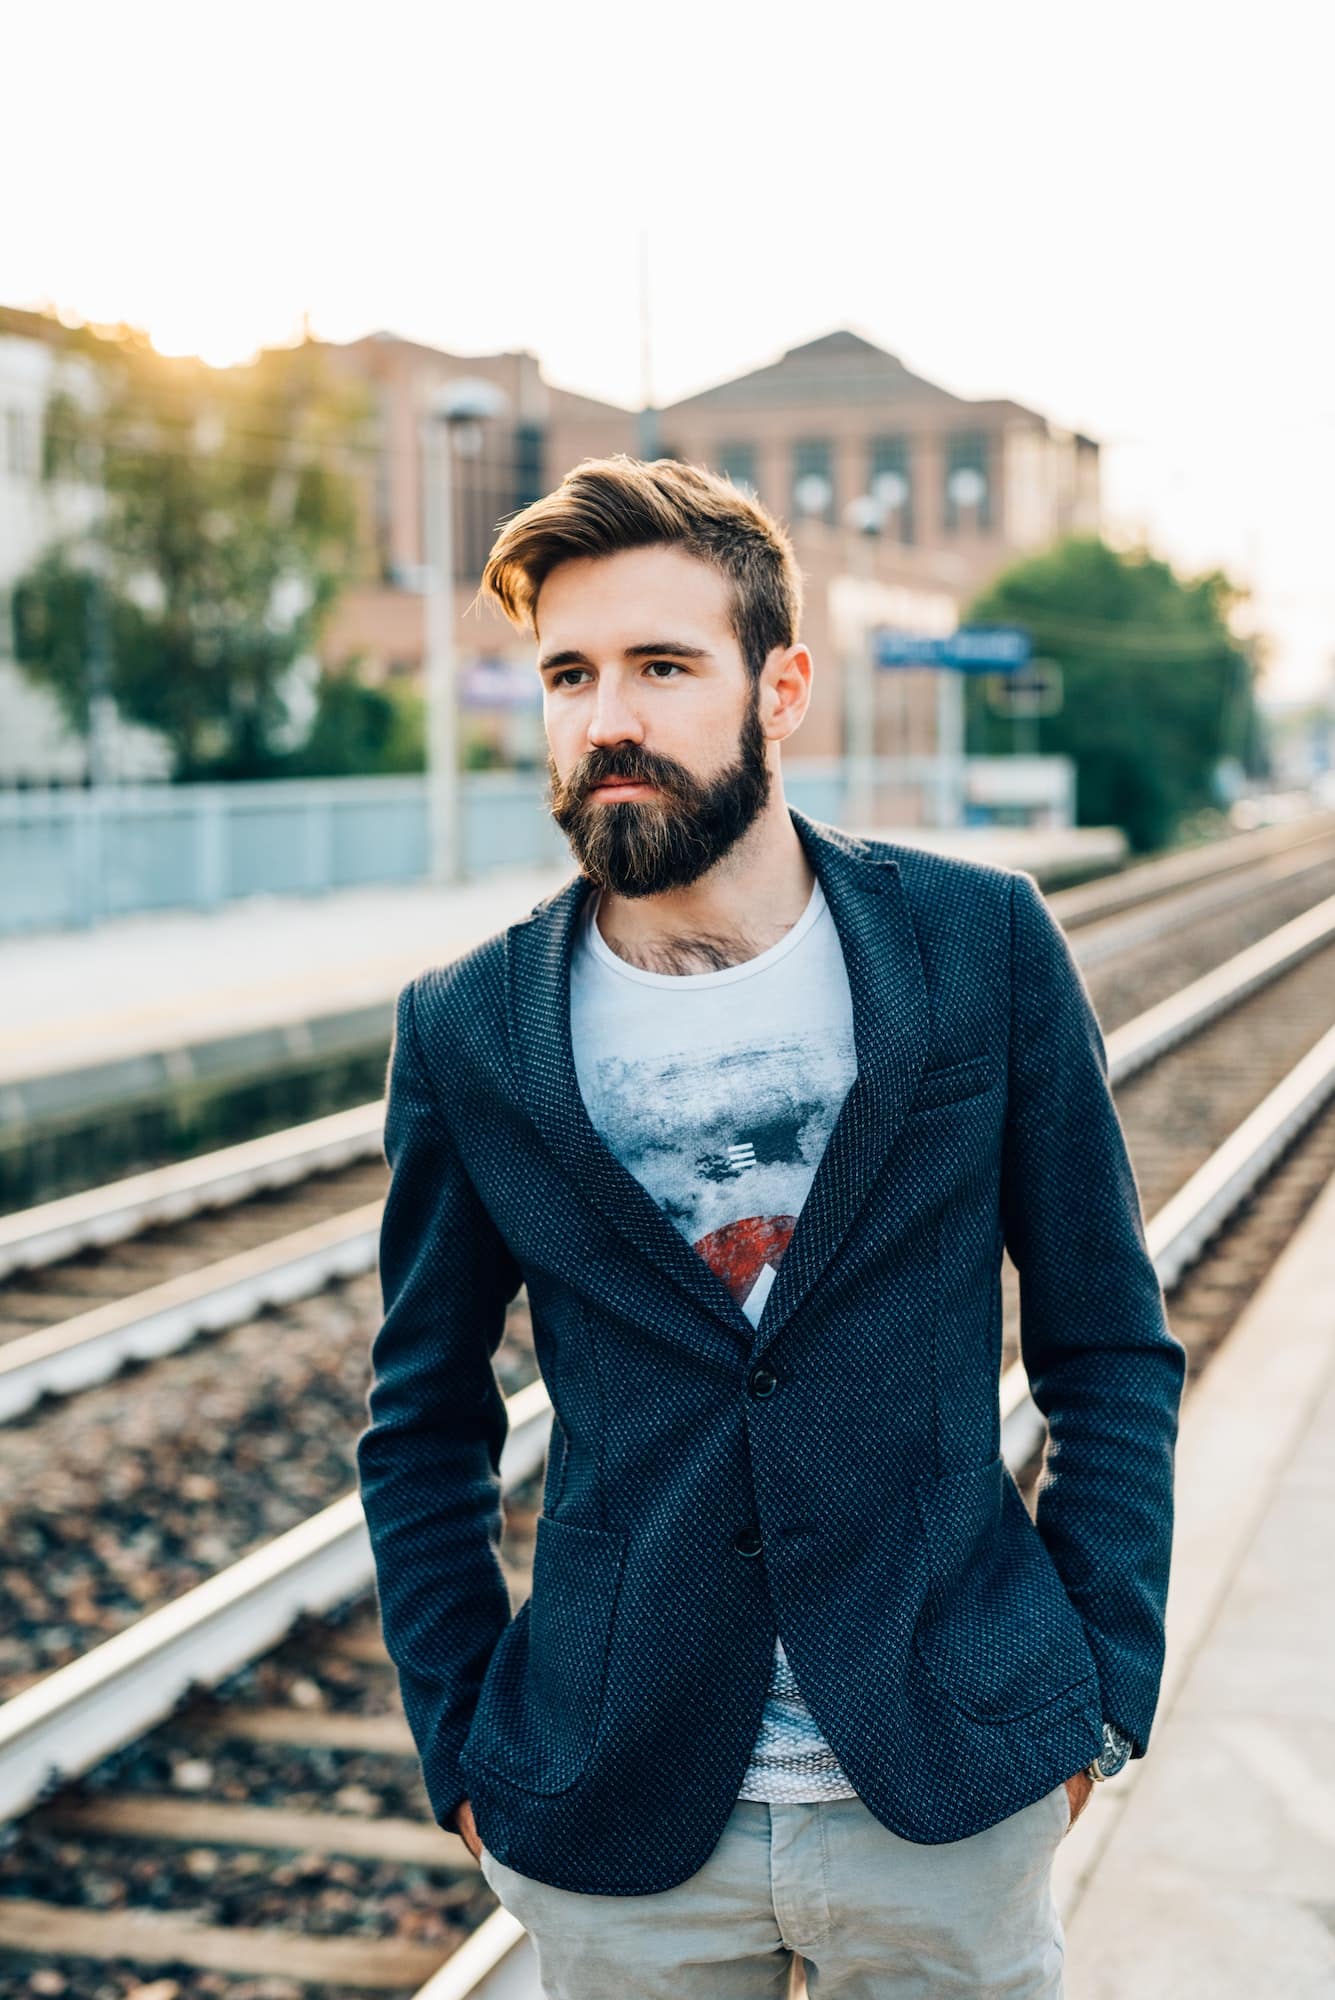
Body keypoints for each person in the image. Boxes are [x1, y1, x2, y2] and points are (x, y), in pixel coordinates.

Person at [355, 456, 1186, 1998]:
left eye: (663, 666)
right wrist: (463, 1751)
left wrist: (1099, 1694)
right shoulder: (468, 1029)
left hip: (949, 1795)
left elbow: (1109, 1347)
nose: (609, 715)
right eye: (570, 674)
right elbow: (420, 1425)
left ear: (780, 686)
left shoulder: (977, 947)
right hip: (618, 1811)